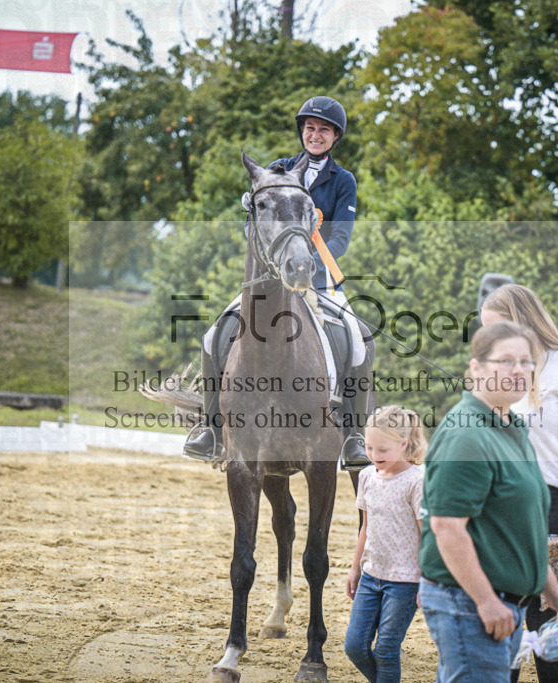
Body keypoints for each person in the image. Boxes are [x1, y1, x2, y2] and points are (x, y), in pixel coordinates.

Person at [182, 95, 370, 470]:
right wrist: (272, 253)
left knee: (360, 338)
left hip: (318, 279)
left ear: (335, 137)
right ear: (302, 131)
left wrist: (306, 265)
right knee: (213, 336)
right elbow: (254, 229)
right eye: (310, 128)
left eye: (324, 130)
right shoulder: (275, 171)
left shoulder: (343, 181)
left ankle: (354, 435)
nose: (315, 135)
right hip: (269, 278)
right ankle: (211, 428)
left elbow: (341, 239)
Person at [418, 321, 558, 683]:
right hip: (468, 605)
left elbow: (522, 526)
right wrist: (486, 600)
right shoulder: (467, 435)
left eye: (526, 362)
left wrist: (552, 592)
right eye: (505, 361)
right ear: (475, 368)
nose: (519, 370)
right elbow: (446, 528)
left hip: (509, 605)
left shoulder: (513, 427)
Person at [480, 285, 558, 683]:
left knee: (546, 613)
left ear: (523, 320)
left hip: (553, 503)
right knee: (506, 609)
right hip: (507, 501)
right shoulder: (507, 372)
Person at [344, 405, 427, 682]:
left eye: (382, 450)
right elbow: (366, 527)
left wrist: (427, 579)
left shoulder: (416, 482)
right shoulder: (367, 477)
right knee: (354, 647)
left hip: (405, 581)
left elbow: (427, 534)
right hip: (371, 576)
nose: (374, 455)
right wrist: (355, 568)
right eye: (369, 448)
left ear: (403, 443)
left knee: (386, 649)